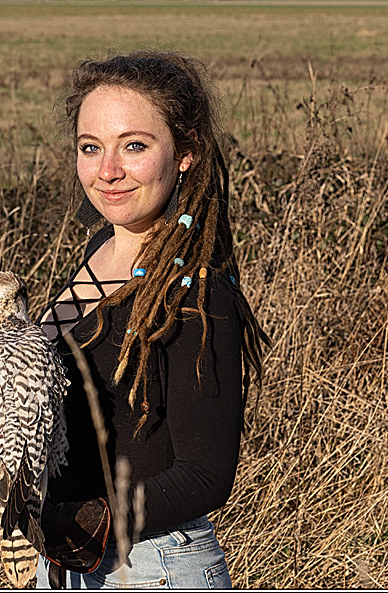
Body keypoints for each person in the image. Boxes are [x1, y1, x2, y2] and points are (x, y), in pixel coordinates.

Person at [34, 50, 268, 589]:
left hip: (149, 565)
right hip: (68, 561)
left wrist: (96, 520)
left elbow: (205, 476)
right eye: (90, 148)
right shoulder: (98, 249)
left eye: (133, 146)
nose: (108, 171)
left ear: (184, 153)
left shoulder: (194, 292)